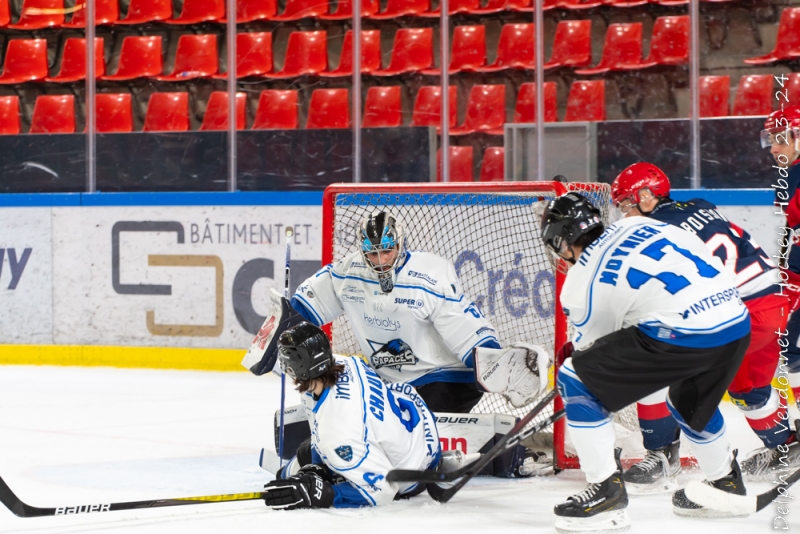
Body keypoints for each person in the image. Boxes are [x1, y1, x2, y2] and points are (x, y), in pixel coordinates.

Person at [541, 192, 751, 531]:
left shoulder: (580, 284)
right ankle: (725, 484)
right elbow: (696, 254)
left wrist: (579, 356)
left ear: (562, 244)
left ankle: (605, 493)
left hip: (683, 335)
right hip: (735, 320)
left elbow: (591, 352)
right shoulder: (638, 223)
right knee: (689, 401)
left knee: (575, 380)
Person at [610, 162, 792, 486]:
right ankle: (786, 446)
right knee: (748, 388)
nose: (625, 214)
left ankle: (664, 454)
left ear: (647, 196)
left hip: (735, 313)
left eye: (626, 204)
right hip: (773, 305)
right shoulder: (701, 206)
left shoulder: (654, 229)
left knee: (656, 369)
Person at [290, 210, 504, 414]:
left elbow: (460, 324)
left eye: (386, 251)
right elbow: (305, 306)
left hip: (445, 376)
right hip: (392, 382)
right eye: (372, 253)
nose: (380, 261)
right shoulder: (349, 272)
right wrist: (285, 328)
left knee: (413, 430)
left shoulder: (429, 275)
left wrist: (491, 361)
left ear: (400, 244)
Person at [262, 322, 442, 509]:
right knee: (308, 454)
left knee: (305, 462)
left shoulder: (336, 434)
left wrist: (325, 494)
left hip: (414, 472)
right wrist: (316, 466)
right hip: (419, 429)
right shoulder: (345, 362)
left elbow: (382, 490)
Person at [766, 106, 800, 419]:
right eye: (771, 139)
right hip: (796, 275)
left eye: (780, 138)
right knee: (787, 349)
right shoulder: (788, 176)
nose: (773, 148)